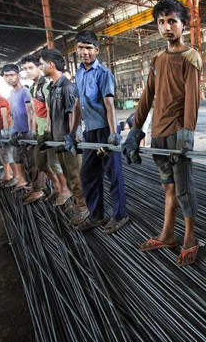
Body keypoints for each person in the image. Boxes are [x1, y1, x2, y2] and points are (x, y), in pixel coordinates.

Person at [122, 0, 202, 267]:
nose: (167, 27)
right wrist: (136, 130)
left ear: (183, 25)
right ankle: (168, 234)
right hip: (158, 134)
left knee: (184, 191)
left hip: (177, 135)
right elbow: (147, 96)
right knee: (168, 187)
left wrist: (188, 133)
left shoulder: (190, 57)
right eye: (161, 22)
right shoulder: (156, 59)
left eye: (172, 21)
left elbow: (192, 98)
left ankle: (190, 238)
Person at [66, 31, 128, 235]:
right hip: (89, 131)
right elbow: (76, 105)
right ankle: (97, 214)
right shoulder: (80, 73)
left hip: (105, 130)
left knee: (113, 174)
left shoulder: (103, 73)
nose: (85, 52)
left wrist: (113, 133)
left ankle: (119, 215)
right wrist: (72, 132)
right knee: (87, 174)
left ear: (96, 50)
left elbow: (109, 105)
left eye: (89, 48)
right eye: (81, 48)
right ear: (76, 49)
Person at [39, 49, 89, 224]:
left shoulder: (67, 87)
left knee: (75, 176)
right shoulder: (52, 88)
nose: (41, 67)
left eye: (42, 64)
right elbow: (52, 115)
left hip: (68, 140)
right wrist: (48, 133)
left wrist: (71, 137)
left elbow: (73, 115)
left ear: (51, 65)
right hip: (58, 139)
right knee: (67, 175)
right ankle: (77, 203)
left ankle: (83, 207)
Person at [21, 55, 72, 205]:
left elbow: (51, 110)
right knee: (42, 163)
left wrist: (48, 131)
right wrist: (33, 130)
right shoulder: (32, 87)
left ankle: (64, 190)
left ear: (39, 68)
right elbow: (34, 111)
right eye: (25, 69)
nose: (28, 71)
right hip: (40, 131)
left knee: (54, 162)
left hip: (49, 131)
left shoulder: (46, 86)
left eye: (31, 68)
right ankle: (57, 187)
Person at [1, 64, 41, 195]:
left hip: (27, 131)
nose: (9, 78)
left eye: (12, 75)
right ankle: (22, 180)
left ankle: (37, 188)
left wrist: (31, 131)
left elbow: (31, 113)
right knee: (17, 157)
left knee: (33, 160)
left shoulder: (25, 92)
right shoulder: (12, 94)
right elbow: (13, 114)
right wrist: (13, 130)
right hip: (18, 131)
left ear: (18, 75)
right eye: (6, 76)